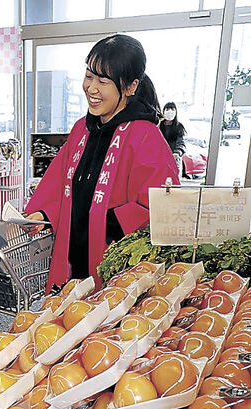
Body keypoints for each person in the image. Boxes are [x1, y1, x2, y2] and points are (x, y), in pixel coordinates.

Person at [25, 34, 179, 290]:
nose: (91, 88)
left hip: (114, 270)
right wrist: (44, 213)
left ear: (130, 87)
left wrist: (104, 221)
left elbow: (161, 206)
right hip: (72, 264)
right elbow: (59, 185)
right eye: (89, 76)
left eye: (103, 81)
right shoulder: (81, 130)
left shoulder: (145, 137)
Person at [159, 102, 186, 175]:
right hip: (160, 159)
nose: (170, 111)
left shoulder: (179, 127)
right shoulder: (159, 125)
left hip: (174, 160)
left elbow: (181, 143)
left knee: (173, 181)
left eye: (172, 109)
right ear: (163, 111)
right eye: (167, 109)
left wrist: (177, 153)